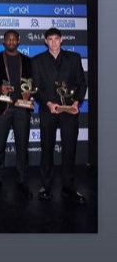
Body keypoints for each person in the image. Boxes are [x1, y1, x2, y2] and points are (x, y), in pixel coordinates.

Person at [32, 28, 87, 203]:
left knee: (69, 150)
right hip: (48, 111)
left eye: (56, 38)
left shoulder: (74, 58)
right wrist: (48, 103)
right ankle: (46, 186)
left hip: (69, 112)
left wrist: (76, 103)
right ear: (45, 41)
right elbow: (36, 88)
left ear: (61, 40)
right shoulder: (37, 61)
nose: (54, 42)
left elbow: (82, 84)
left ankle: (68, 187)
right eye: (50, 39)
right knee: (47, 149)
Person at [0, 30, 33, 198]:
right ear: (4, 41)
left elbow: (33, 82)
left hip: (22, 107)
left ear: (19, 41)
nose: (11, 41)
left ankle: (22, 181)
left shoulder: (27, 61)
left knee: (22, 147)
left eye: (14, 39)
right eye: (8, 39)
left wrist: (29, 93)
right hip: (3, 108)